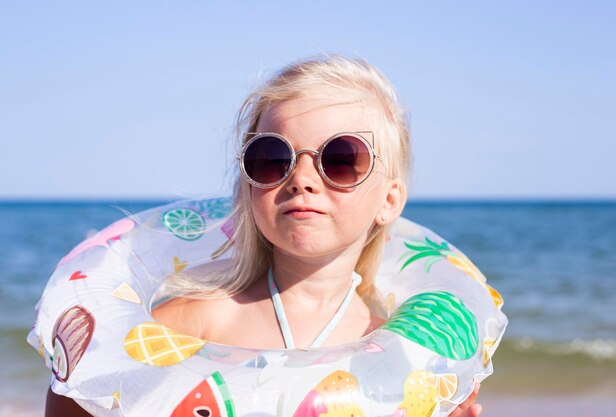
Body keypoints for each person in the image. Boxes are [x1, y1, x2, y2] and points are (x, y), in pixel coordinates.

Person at [45, 55, 483, 417]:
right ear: (249, 185)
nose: (302, 179)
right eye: (273, 158)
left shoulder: (403, 351)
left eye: (341, 158)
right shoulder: (195, 321)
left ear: (389, 200)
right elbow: (84, 391)